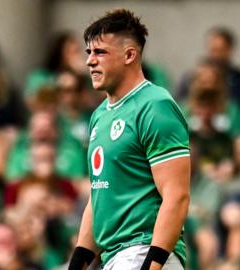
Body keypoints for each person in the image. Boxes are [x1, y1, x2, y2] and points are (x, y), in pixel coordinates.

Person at [69, 9, 190, 270]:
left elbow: (176, 195)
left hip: (143, 251)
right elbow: (99, 194)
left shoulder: (155, 105)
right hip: (115, 256)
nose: (90, 61)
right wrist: (78, 261)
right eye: (88, 52)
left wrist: (153, 264)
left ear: (129, 55)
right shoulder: (100, 115)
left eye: (100, 52)